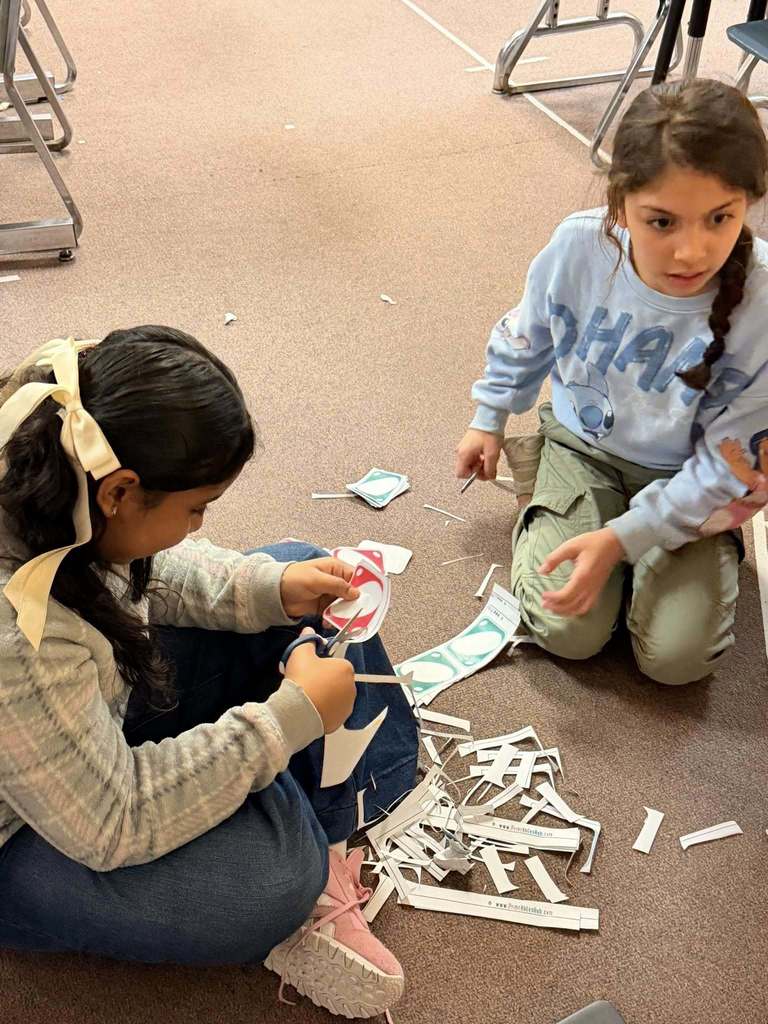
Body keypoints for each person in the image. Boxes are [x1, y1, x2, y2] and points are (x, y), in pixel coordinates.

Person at [0, 327, 418, 1020]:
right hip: (29, 830)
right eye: (195, 509)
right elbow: (114, 821)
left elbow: (141, 570)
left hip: (67, 718)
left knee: (298, 578)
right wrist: (283, 723)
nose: (198, 526)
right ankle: (308, 844)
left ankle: (320, 817)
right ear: (121, 492)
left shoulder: (49, 461)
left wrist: (273, 586)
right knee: (272, 883)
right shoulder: (21, 642)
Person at [455, 79, 768, 686]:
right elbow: (528, 331)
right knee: (568, 632)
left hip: (694, 479)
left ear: (750, 203)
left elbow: (734, 461)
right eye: (661, 222)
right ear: (620, 207)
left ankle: (673, 553)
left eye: (720, 217)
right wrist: (489, 415)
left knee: (676, 662)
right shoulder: (578, 246)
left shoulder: (762, 298)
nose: (690, 251)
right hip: (585, 447)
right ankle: (545, 479)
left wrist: (625, 537)